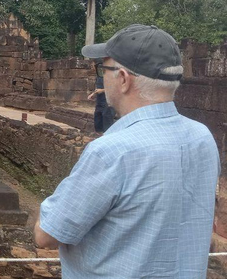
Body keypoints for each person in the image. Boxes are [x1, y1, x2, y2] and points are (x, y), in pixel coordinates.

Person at [34, 24, 219, 278]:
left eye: (103, 69)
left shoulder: (110, 152)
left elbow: (47, 234)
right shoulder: (203, 138)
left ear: (123, 79)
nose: (101, 78)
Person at [88, 60, 114, 133]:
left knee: (107, 118)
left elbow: (115, 88)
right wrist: (93, 94)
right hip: (100, 101)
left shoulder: (110, 74)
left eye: (92, 66)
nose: (91, 68)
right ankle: (98, 134)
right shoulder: (99, 75)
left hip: (108, 101)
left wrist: (102, 90)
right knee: (97, 118)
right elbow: (98, 88)